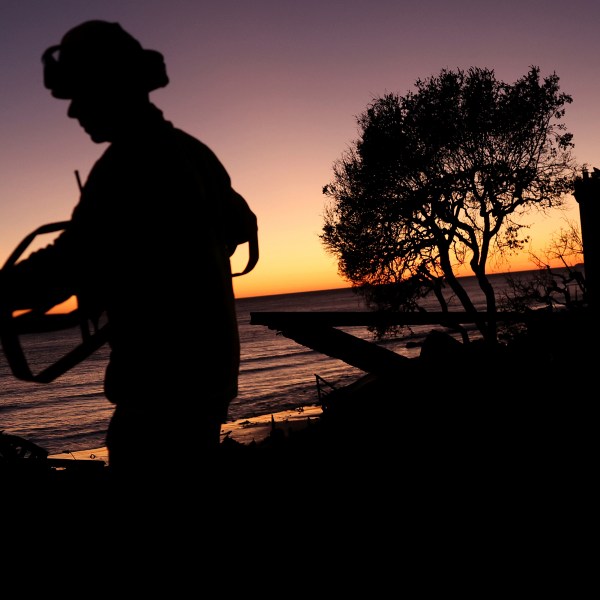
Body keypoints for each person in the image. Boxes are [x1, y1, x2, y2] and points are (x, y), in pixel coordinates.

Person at [0, 20, 257, 487]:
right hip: (208, 380)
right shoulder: (194, 153)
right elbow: (241, 223)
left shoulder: (127, 164)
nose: (74, 111)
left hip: (160, 394)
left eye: (80, 94)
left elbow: (65, 266)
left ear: (110, 86)